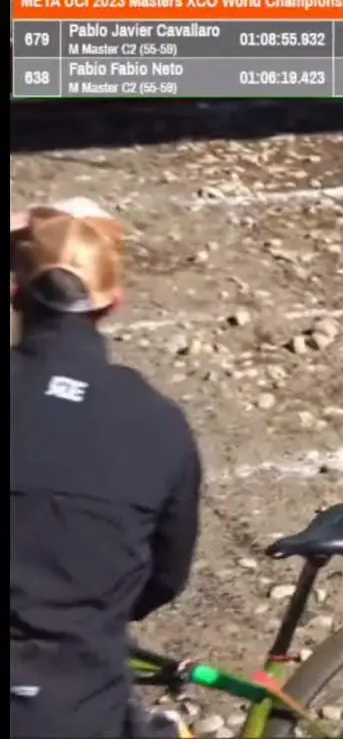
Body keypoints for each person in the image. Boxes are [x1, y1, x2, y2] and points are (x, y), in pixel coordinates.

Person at [10, 198, 201, 739]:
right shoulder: (159, 425)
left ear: (16, 292)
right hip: (79, 709)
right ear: (113, 302)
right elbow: (165, 577)